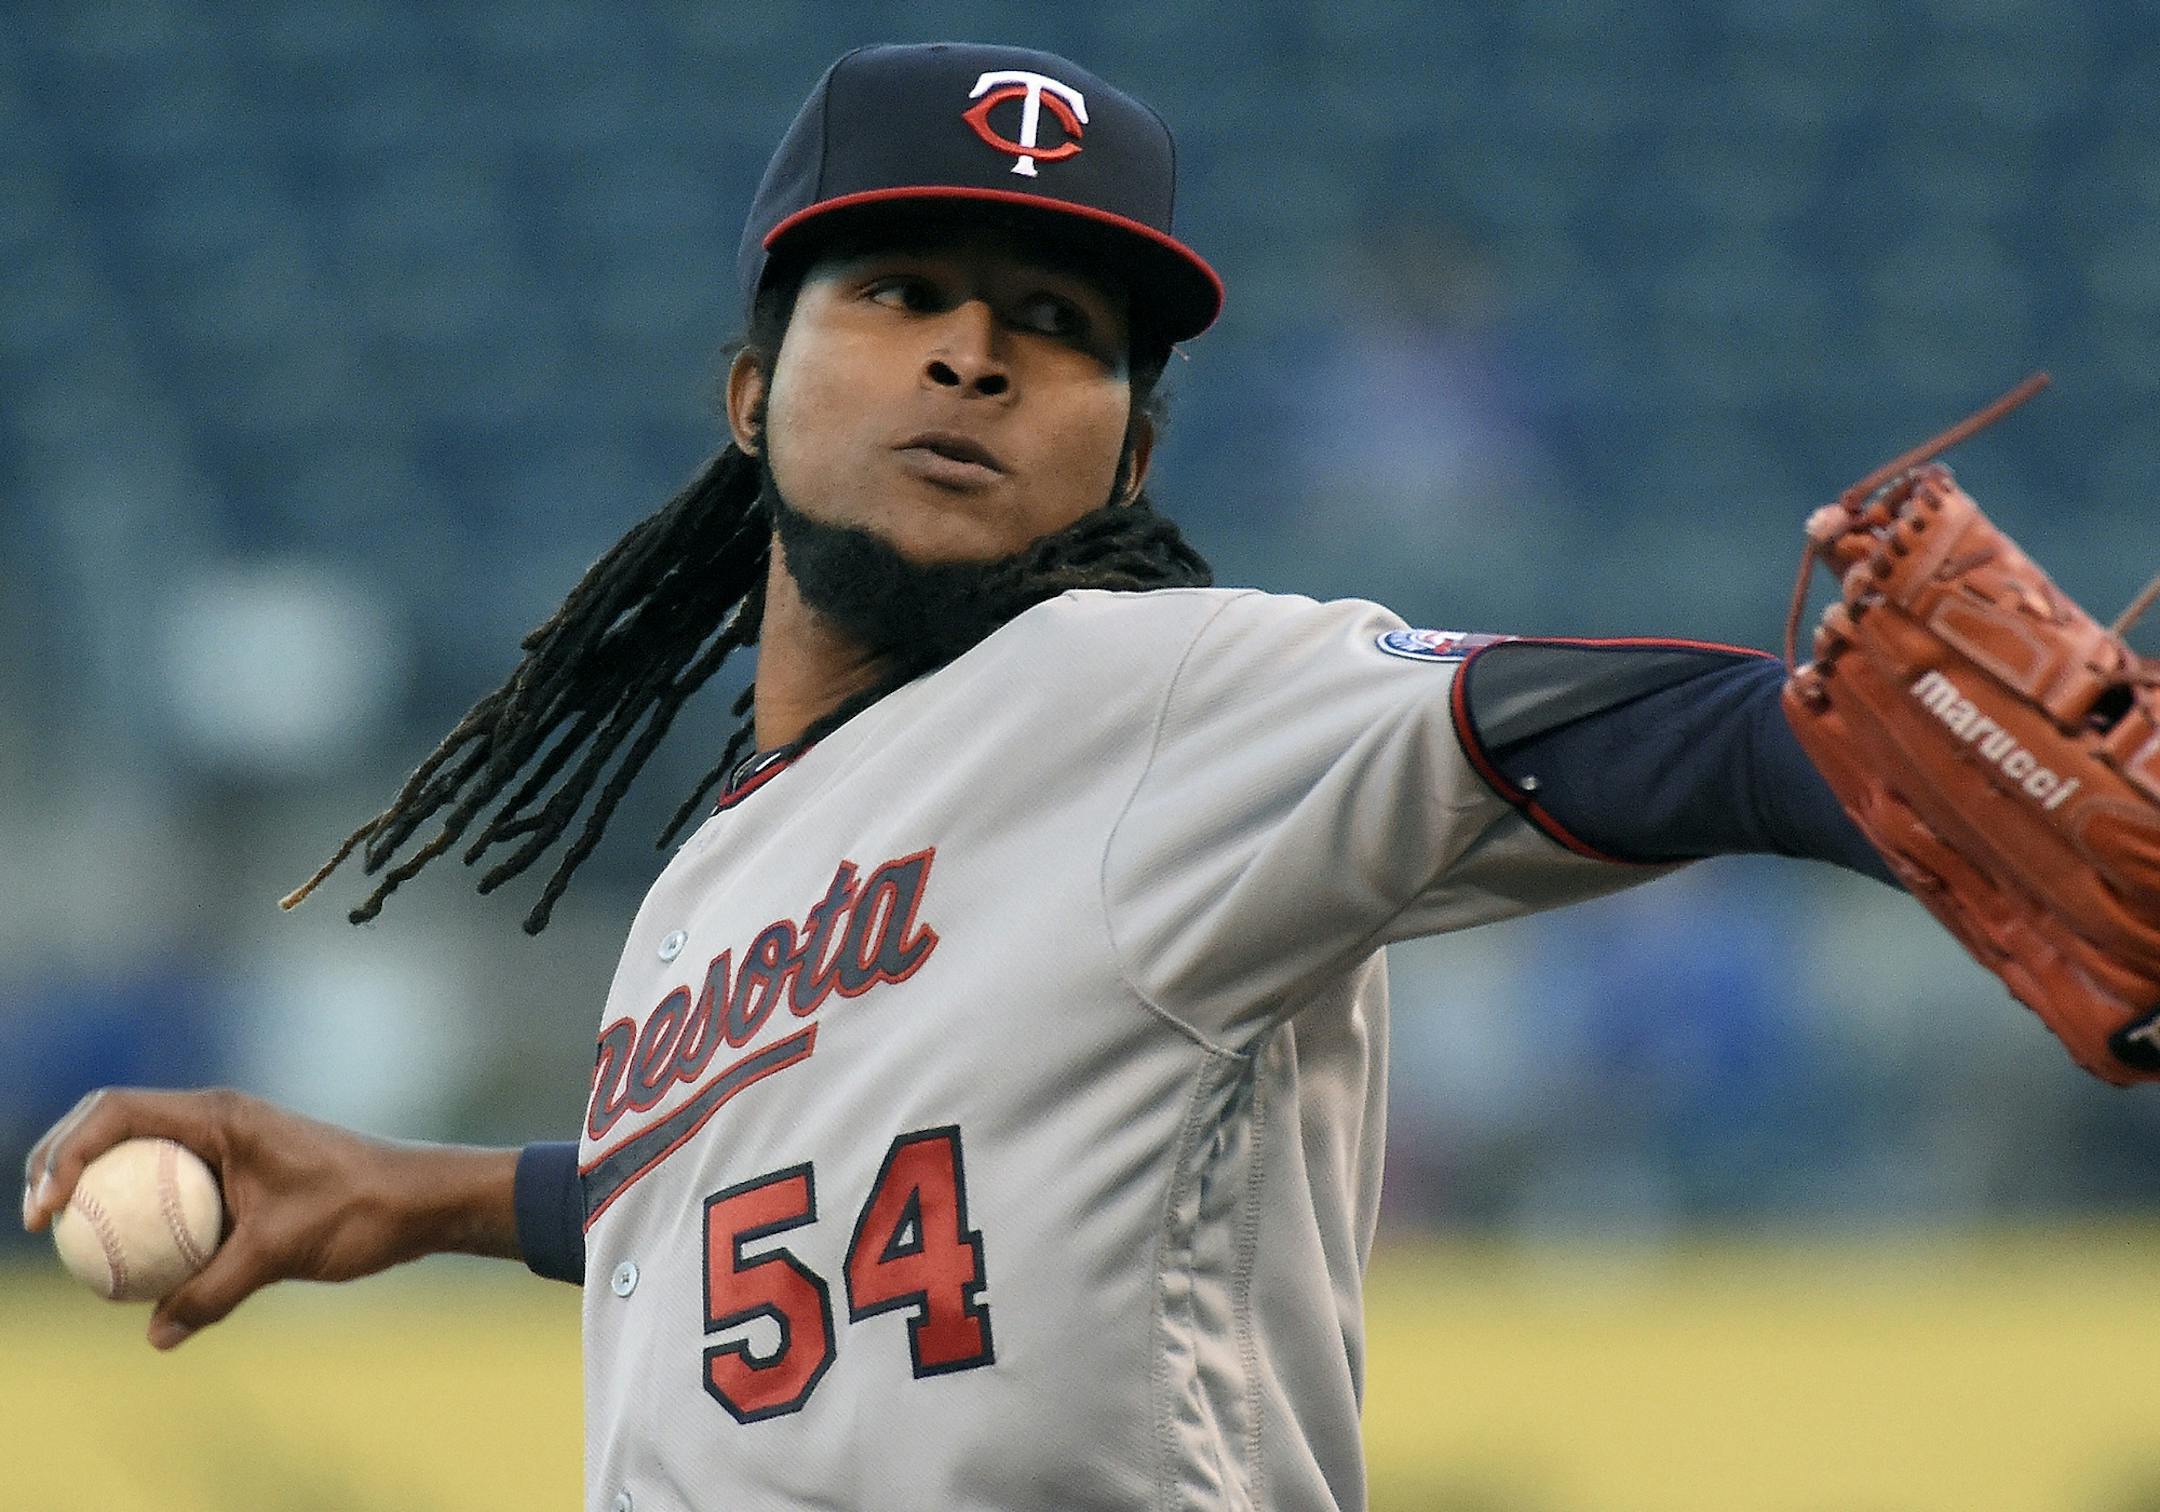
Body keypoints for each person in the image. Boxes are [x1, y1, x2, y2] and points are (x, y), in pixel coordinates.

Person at [23, 42, 1910, 1512]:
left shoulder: (1165, 698)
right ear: (751, 391)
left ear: (1135, 457)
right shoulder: (709, 877)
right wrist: (421, 1197)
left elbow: (1620, 728)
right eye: (902, 290)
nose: (974, 357)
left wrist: (1893, 759)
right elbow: (793, 1184)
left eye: (1058, 328)